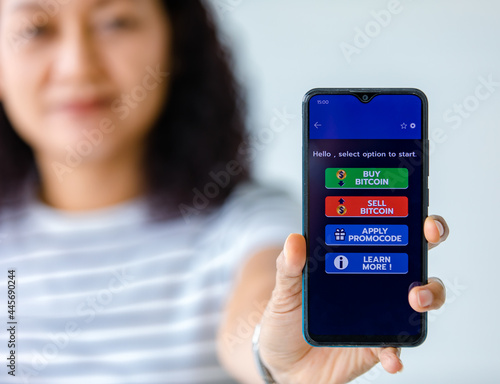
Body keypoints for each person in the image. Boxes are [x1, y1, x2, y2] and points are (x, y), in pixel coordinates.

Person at [0, 0, 449, 383]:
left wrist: (273, 354)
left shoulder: (245, 221)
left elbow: (260, 298)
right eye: (35, 29)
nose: (78, 64)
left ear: (174, 43)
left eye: (115, 21)